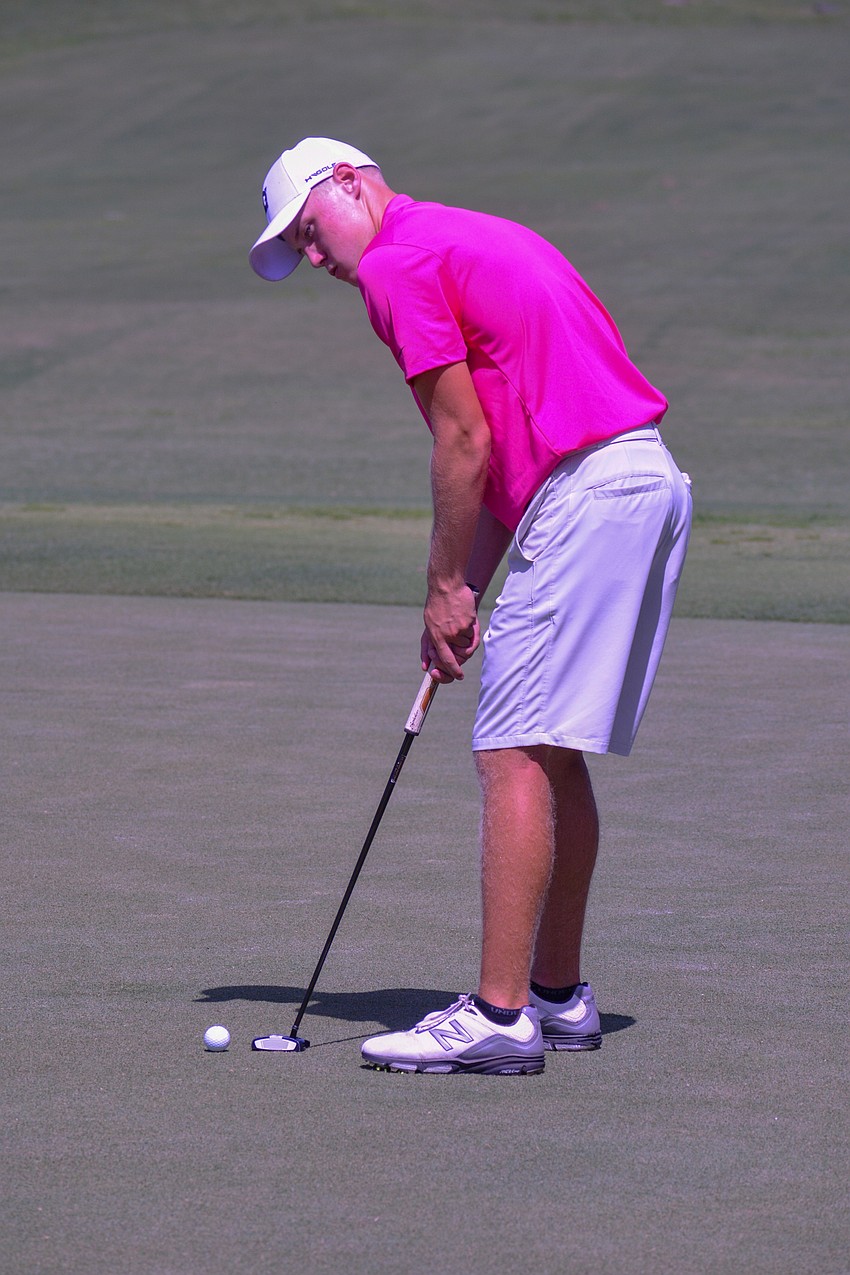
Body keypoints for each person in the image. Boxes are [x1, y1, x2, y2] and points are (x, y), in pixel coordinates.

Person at [249, 137, 692, 1076]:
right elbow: (501, 458)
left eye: (309, 230)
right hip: (638, 479)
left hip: (587, 492)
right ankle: (558, 995)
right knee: (550, 748)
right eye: (299, 248)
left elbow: (462, 439)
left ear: (352, 184)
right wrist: (464, 596)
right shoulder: (460, 238)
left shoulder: (396, 263)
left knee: (512, 752)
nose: (317, 258)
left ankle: (497, 1015)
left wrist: (444, 589)